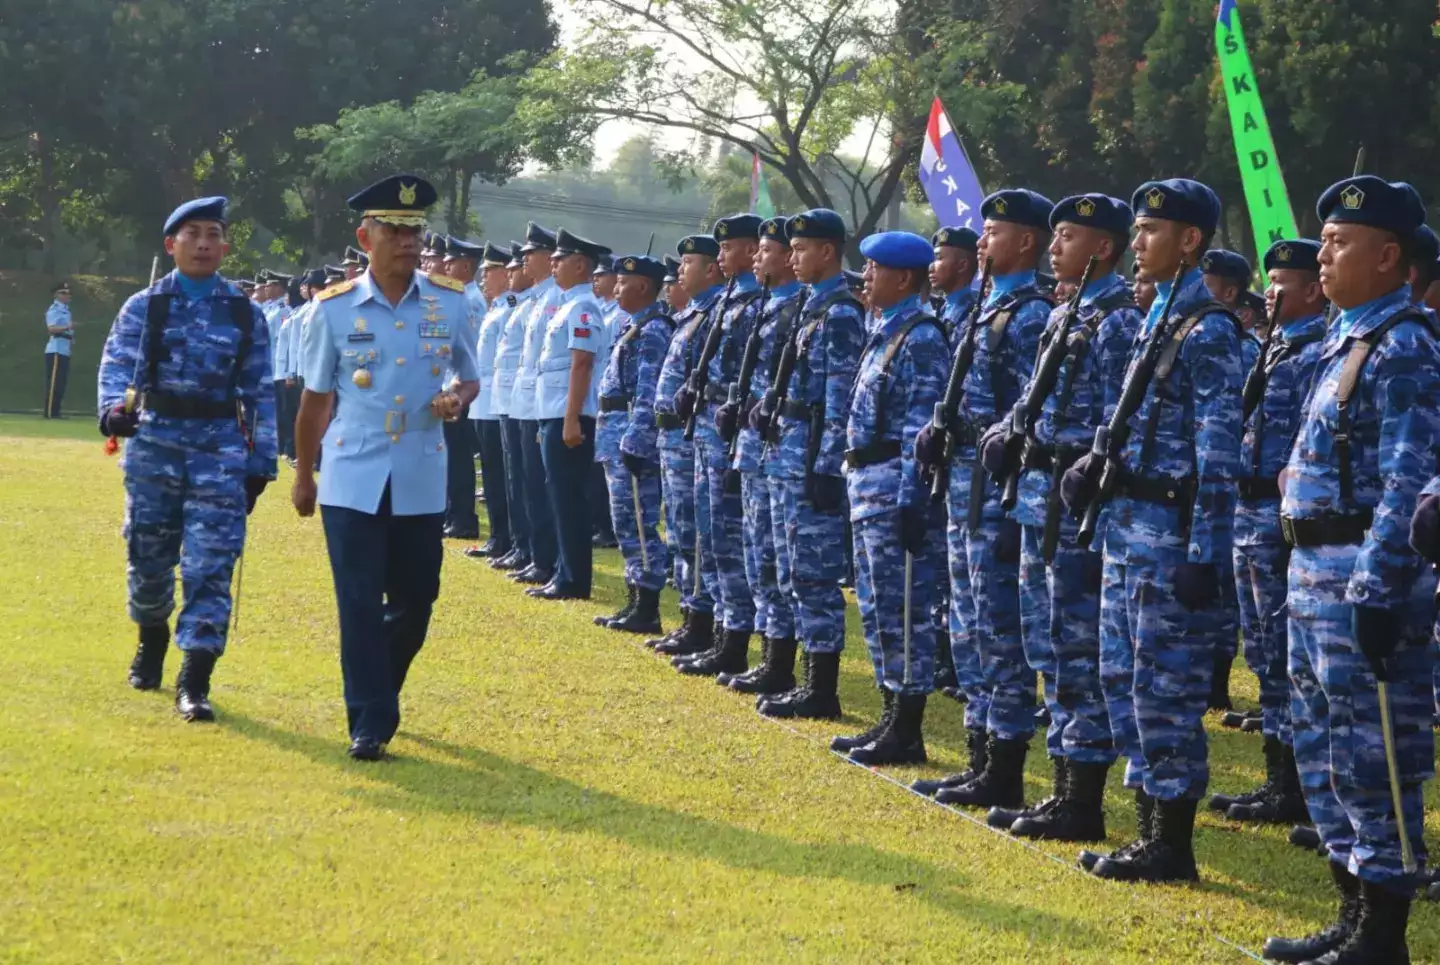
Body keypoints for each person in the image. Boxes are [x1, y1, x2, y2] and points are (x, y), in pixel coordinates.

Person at [1262, 176, 1440, 964]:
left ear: (1389, 255)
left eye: (1341, 242)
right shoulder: (1347, 335)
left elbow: (1410, 479)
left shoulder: (1404, 344)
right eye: (1325, 238)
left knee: (1376, 754)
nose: (1324, 252)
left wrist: (1377, 587)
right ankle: (1348, 911)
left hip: (1361, 577)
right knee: (1325, 745)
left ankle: (1383, 933)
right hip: (1313, 572)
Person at [1059, 178, 1243, 883]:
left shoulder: (1210, 331)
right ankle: (1146, 831)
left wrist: (1203, 554)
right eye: (1134, 231)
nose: (1136, 244)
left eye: (1150, 232)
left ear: (1189, 241)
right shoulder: (1156, 317)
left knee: (1164, 691)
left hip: (1170, 536)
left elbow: (1218, 455)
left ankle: (1171, 842)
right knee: (1123, 679)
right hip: (1128, 527)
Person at [291, 174, 479, 761]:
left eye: (414, 230)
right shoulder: (334, 310)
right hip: (353, 472)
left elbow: (469, 375)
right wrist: (304, 473)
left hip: (421, 472)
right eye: (394, 230)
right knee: (358, 601)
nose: (406, 241)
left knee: (418, 598)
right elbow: (316, 400)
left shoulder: (450, 301)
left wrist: (457, 397)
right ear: (365, 236)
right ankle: (369, 721)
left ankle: (380, 693)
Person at [976, 194, 1142, 841]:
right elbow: (1033, 394)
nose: (1054, 247)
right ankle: (1061, 787)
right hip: (1038, 494)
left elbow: (1117, 418)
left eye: (1068, 236)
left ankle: (1082, 800)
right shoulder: (1071, 308)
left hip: (1076, 507)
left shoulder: (1118, 321)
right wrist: (1009, 429)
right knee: (1048, 643)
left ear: (1102, 247)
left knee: (1076, 651)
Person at [97, 196, 277, 721]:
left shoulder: (246, 312)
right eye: (193, 233)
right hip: (155, 445)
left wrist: (260, 463)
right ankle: (151, 638)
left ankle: (194, 678)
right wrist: (113, 411)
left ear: (224, 244)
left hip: (219, 448)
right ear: (170, 244)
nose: (203, 243)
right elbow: (115, 370)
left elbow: (260, 393)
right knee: (149, 557)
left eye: (213, 233)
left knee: (210, 563)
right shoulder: (145, 306)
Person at [914, 189, 1055, 805]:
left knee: (998, 628)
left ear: (1026, 241)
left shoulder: (1029, 315)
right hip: (962, 480)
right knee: (968, 626)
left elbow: (1029, 412)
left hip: (995, 489)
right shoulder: (984, 306)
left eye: (993, 232)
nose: (982, 242)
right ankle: (979, 757)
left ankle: (1005, 766)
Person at [1205, 238, 1328, 830]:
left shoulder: (1317, 353)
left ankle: (1299, 784)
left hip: (1281, 519)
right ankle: (1278, 779)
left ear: (1314, 289)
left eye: (1287, 282)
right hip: (1245, 513)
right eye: (1270, 280)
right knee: (1263, 653)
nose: (1273, 292)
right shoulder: (1269, 348)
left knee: (1287, 655)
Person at [830, 231, 950, 763]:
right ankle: (889, 718)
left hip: (891, 494)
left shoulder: (921, 337)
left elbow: (918, 431)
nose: (866, 278)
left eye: (875, 269)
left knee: (904, 613)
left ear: (904, 278)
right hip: (866, 489)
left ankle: (907, 730)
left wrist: (911, 501)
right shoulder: (885, 330)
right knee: (879, 610)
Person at [754, 208, 864, 720]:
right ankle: (790, 671)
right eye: (791, 249)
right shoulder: (808, 305)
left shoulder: (841, 312)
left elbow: (839, 400)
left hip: (808, 463)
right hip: (784, 453)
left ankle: (822, 688)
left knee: (813, 576)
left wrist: (826, 469)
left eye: (801, 249)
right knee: (785, 568)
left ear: (828, 251)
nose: (792, 257)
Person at [671, 214, 767, 677]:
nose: (722, 255)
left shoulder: (753, 305)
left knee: (728, 539)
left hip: (728, 434)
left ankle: (733, 637)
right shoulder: (731, 300)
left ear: (752, 251)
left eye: (730, 248)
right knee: (707, 535)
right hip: (707, 428)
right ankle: (714, 630)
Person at [715, 215, 804, 697]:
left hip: (785, 451)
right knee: (756, 556)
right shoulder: (767, 306)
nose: (757, 260)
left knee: (783, 563)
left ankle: (784, 664)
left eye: (765, 251)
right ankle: (762, 654)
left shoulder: (799, 310)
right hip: (755, 445)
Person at [647, 237, 724, 658]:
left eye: (689, 262)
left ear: (711, 269)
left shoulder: (714, 314)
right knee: (679, 529)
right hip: (673, 436)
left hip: (692, 436)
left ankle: (702, 622)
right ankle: (690, 616)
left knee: (696, 532)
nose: (680, 270)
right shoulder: (691, 314)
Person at [529, 228, 612, 600]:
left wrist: (570, 418)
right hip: (555, 413)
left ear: (580, 264)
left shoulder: (583, 307)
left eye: (560, 259)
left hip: (571, 415)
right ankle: (565, 571)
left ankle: (574, 579)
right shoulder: (566, 304)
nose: (553, 264)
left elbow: (582, 364)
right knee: (558, 495)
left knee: (569, 499)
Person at [593, 255, 674, 632]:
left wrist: (638, 439)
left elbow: (649, 391)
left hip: (630, 436)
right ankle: (634, 598)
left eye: (623, 283)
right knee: (625, 521)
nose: (616, 288)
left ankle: (647, 606)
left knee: (640, 522)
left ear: (643, 286)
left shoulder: (653, 330)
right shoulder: (634, 325)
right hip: (615, 430)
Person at [509, 224, 563, 587]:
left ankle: (545, 558)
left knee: (541, 485)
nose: (525, 259)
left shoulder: (557, 297)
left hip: (543, 402)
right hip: (526, 400)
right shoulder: (535, 298)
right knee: (526, 481)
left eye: (532, 254)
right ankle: (530, 551)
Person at [489, 243, 540, 574]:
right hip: (512, 398)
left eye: (517, 266)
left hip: (532, 401)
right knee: (513, 477)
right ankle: (520, 545)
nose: (512, 272)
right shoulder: (524, 305)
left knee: (529, 481)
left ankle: (532, 551)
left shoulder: (540, 303)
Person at [463, 243, 516, 561]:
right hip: (485, 400)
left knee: (498, 473)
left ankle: (505, 537)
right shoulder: (496, 306)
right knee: (492, 471)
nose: (484, 278)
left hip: (499, 401)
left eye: (489, 272)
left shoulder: (508, 307)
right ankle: (499, 536)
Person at [439, 236, 488, 540]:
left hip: (463, 389)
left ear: (466, 266)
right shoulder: (459, 297)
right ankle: (452, 514)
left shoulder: (470, 300)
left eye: (451, 261)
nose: (445, 265)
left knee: (459, 457)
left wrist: (456, 390)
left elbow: (471, 351)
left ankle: (463, 518)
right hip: (452, 386)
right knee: (450, 456)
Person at [589, 254, 621, 550]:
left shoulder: (619, 315)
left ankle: (607, 527)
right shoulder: (602, 310)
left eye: (602, 275)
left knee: (605, 471)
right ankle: (600, 523)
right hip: (598, 396)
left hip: (612, 402)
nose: (596, 280)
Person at [44, 282, 74, 418]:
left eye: (68, 293)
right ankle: (50, 412)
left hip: (64, 349)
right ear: (56, 295)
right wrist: (67, 327)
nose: (67, 295)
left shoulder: (66, 310)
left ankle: (56, 411)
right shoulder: (54, 309)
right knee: (54, 383)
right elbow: (51, 329)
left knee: (61, 383)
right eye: (63, 293)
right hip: (55, 349)